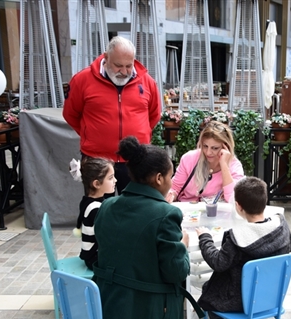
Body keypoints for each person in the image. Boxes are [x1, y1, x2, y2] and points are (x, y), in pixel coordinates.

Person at [93, 136, 202, 319]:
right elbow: (176, 272)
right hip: (151, 312)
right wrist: (182, 244)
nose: (172, 182)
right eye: (171, 176)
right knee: (171, 272)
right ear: (159, 178)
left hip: (111, 307)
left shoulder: (107, 206)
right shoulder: (166, 214)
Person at [195, 176, 291, 319]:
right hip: (269, 297)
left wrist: (205, 238)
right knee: (257, 279)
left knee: (208, 288)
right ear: (265, 202)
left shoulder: (237, 237)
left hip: (238, 300)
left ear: (238, 206)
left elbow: (218, 263)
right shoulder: (281, 227)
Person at [63, 36, 161, 194]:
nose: (124, 72)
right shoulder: (82, 80)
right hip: (97, 160)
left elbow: (154, 114)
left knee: (134, 209)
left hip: (134, 160)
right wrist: (92, 135)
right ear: (106, 57)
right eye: (118, 66)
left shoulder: (147, 82)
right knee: (98, 210)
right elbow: (70, 114)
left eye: (129, 66)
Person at [166, 121, 244, 203]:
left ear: (226, 146)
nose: (208, 152)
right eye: (205, 146)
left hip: (217, 212)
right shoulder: (189, 158)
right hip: (188, 210)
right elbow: (175, 188)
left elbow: (232, 199)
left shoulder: (235, 165)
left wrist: (224, 165)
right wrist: (170, 195)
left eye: (215, 148)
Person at [70, 157, 116, 270]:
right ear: (97, 184)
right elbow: (110, 235)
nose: (115, 180)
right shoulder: (95, 208)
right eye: (110, 178)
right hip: (95, 258)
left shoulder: (89, 201)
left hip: (92, 255)